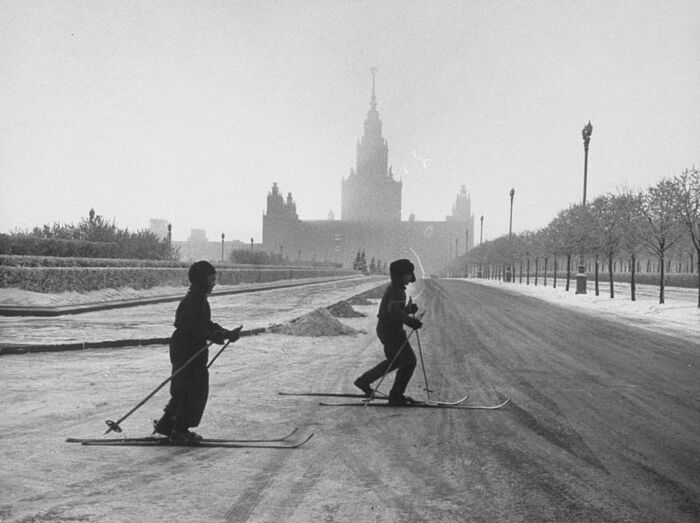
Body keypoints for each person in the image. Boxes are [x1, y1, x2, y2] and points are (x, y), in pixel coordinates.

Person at [153, 260, 241, 443]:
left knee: (185, 387)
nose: (214, 283)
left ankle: (167, 425)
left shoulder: (198, 298)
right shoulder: (194, 300)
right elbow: (192, 326)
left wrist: (224, 333)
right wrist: (215, 334)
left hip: (189, 346)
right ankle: (179, 430)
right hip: (187, 348)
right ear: (202, 280)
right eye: (211, 279)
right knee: (192, 389)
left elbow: (205, 324)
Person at [354, 258, 423, 406]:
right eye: (409, 274)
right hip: (391, 331)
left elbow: (394, 310)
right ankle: (396, 395)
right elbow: (395, 314)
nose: (411, 277)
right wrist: (411, 322)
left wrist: (408, 310)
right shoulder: (397, 291)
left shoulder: (395, 288)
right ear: (401, 275)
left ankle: (364, 381)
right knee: (409, 361)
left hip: (386, 329)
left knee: (395, 361)